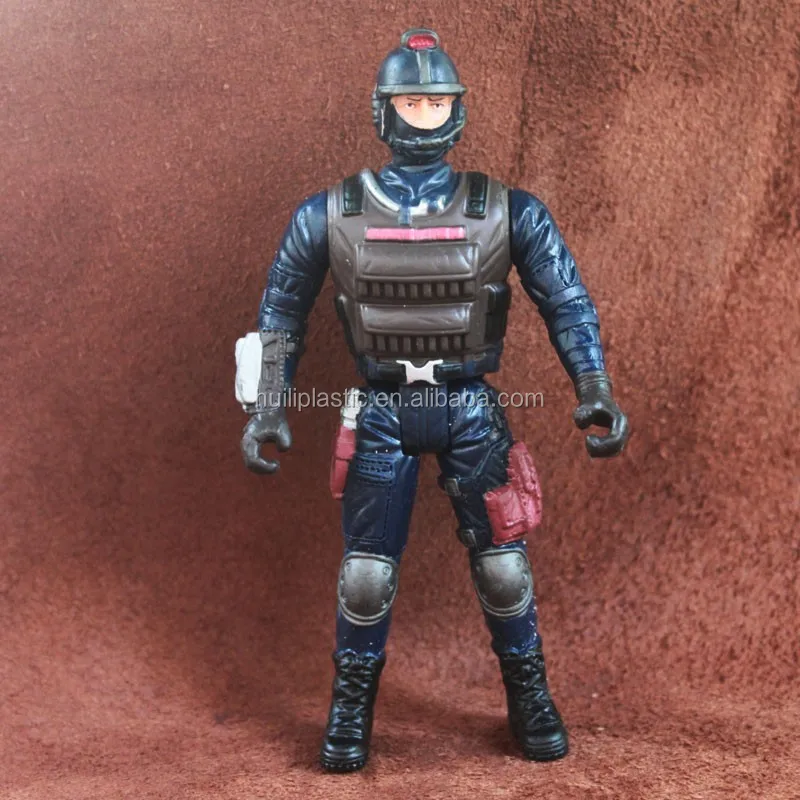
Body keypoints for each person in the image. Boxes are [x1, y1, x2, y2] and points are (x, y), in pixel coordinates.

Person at [234, 28, 629, 772]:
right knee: (366, 575)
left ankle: (529, 695)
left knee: (504, 567)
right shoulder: (330, 213)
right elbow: (280, 310)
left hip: (468, 406)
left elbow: (566, 301)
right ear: (384, 111)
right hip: (380, 409)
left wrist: (593, 385)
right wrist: (267, 405)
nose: (423, 115)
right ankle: (350, 706)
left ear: (456, 110)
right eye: (410, 103)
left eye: (435, 102)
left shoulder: (508, 211)